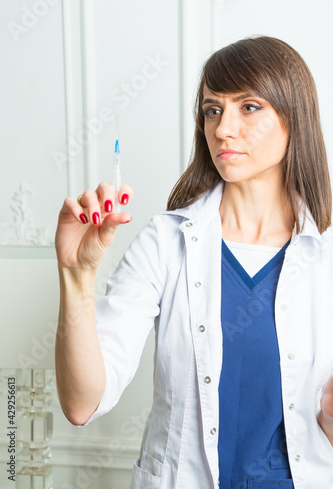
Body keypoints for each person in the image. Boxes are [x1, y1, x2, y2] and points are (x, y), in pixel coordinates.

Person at [55, 36, 333, 489]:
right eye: (211, 109)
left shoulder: (326, 257)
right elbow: (83, 402)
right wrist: (76, 276)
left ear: (293, 117)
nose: (223, 129)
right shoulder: (165, 243)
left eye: (248, 107)